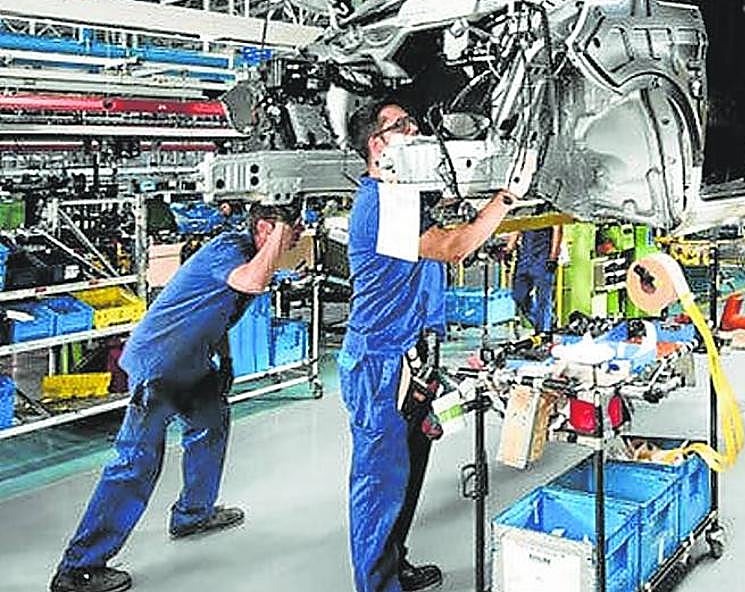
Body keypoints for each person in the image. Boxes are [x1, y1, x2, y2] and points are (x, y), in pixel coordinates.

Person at [50, 203, 302, 592]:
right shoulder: (230, 249)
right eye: (292, 229)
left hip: (193, 362)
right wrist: (278, 236)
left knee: (212, 424)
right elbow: (250, 282)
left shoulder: (251, 256)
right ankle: (78, 567)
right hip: (160, 364)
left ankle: (192, 514)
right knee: (136, 462)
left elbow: (218, 308)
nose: (298, 236)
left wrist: (226, 359)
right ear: (265, 228)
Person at [342, 101, 533, 592]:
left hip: (410, 359)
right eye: (403, 125)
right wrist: (508, 195)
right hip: (378, 366)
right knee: (379, 484)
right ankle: (377, 585)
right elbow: (454, 247)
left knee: (405, 477)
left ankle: (393, 561)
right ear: (378, 144)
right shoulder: (382, 200)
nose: (416, 129)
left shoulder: (403, 195)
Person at [509, 223, 562, 334]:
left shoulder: (549, 209)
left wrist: (553, 257)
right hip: (525, 257)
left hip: (543, 258)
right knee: (518, 295)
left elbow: (557, 230)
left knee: (543, 298)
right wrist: (509, 247)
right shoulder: (524, 208)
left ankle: (543, 332)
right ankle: (545, 322)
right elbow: (517, 226)